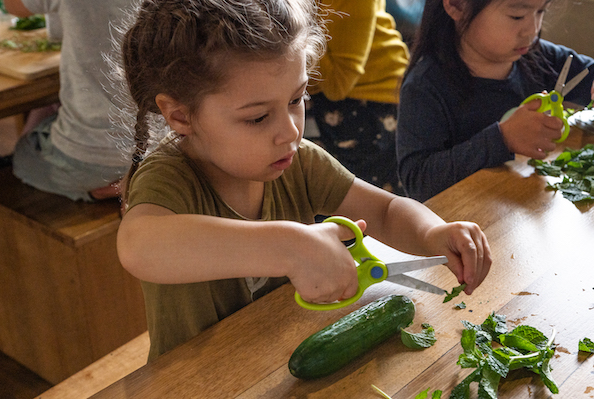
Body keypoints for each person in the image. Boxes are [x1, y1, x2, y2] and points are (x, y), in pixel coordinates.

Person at [114, 0, 492, 362]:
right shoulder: (168, 177)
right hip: (194, 381)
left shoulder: (297, 163)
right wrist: (290, 245)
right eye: (258, 118)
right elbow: (139, 245)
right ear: (180, 116)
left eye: (297, 99)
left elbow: (387, 210)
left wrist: (432, 234)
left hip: (275, 359)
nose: (290, 131)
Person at [396, 0, 594, 202]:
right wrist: (503, 139)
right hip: (464, 223)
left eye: (540, 12)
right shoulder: (424, 86)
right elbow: (418, 182)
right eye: (516, 16)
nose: (532, 30)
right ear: (457, 6)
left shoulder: (539, 56)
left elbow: (589, 73)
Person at [2, 0, 133, 201]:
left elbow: (14, 6)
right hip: (161, 148)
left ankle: (101, 191)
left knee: (21, 158)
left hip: (95, 159)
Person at [306, 0, 409, 194]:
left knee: (366, 210)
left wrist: (300, 16)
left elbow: (337, 85)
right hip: (318, 99)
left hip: (370, 105)